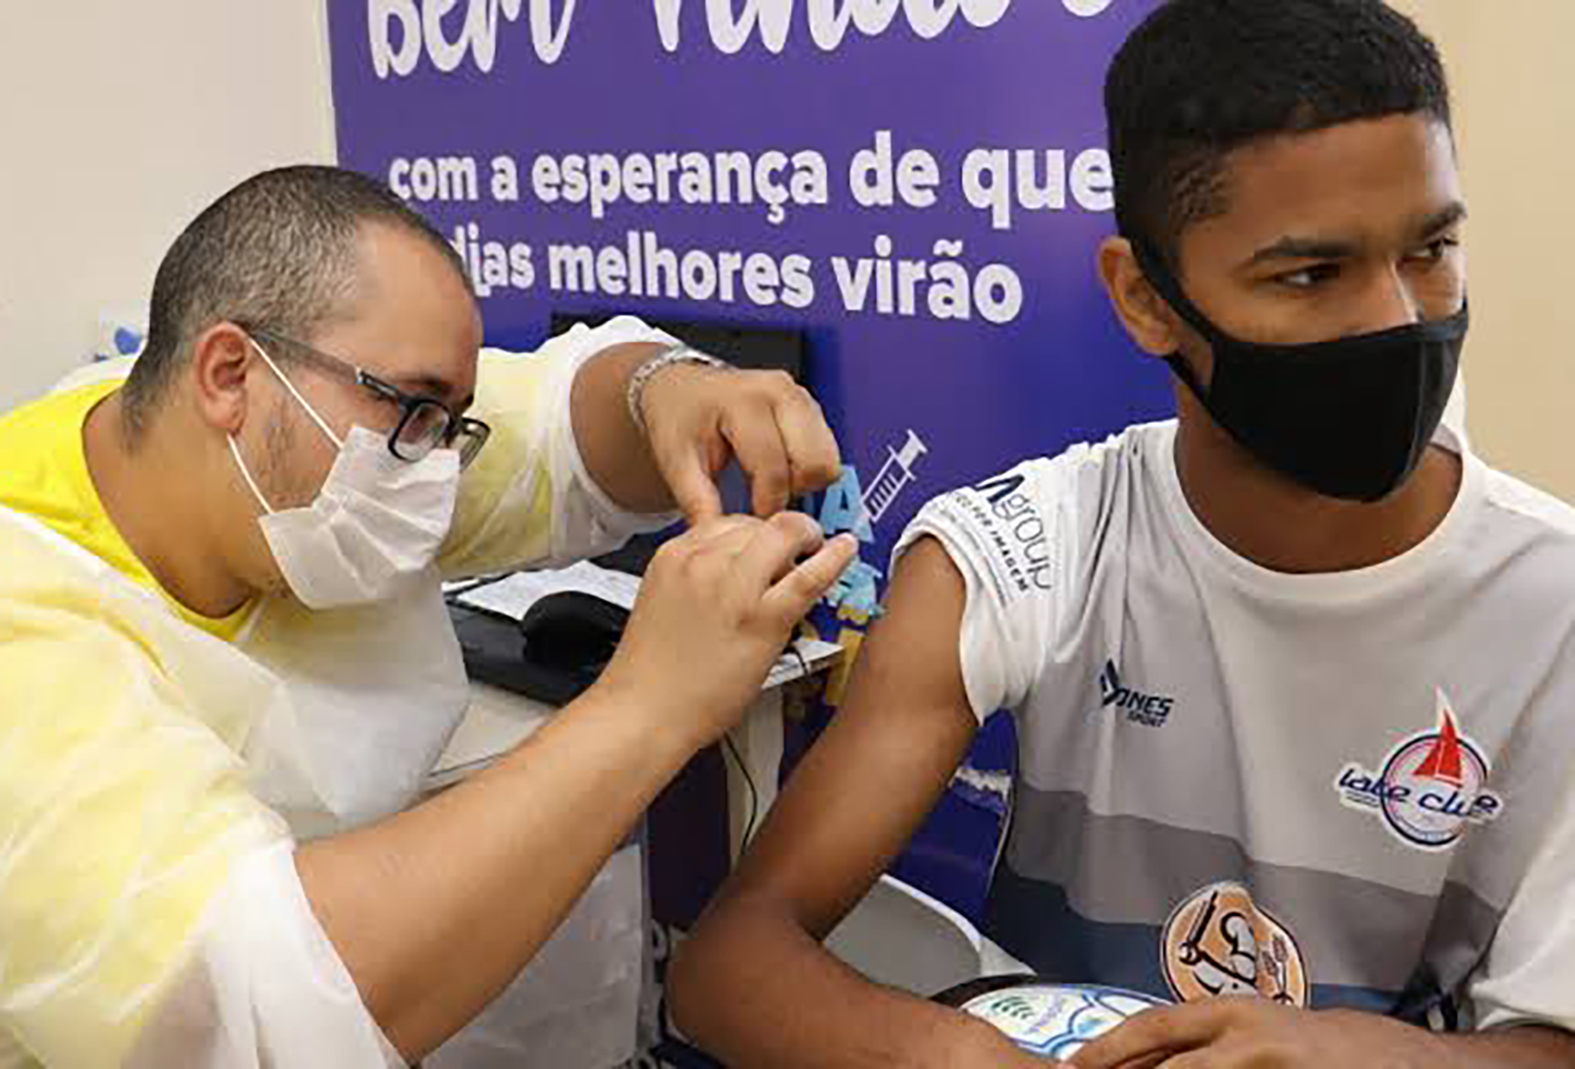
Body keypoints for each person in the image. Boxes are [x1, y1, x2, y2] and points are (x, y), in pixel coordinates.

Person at [667, 2, 1575, 1066]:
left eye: (1431, 250)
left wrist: (1351, 1054)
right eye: (1310, 274)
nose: (1397, 320)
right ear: (1146, 299)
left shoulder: (1553, 606)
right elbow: (728, 963)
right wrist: (955, 1057)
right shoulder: (1021, 550)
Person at [0, 165, 857, 1068]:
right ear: (227, 371)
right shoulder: (28, 632)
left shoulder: (273, 441)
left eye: (452, 424)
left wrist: (666, 384)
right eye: (415, 412)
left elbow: (566, 436)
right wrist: (649, 705)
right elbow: (266, 1010)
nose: (435, 470)